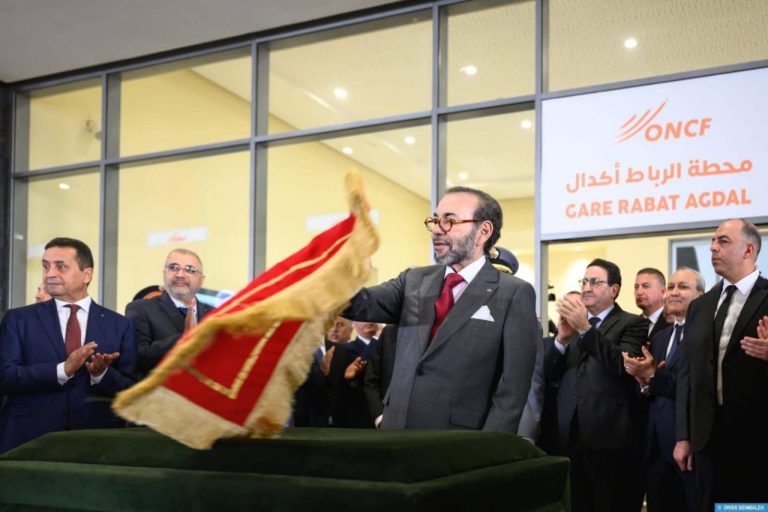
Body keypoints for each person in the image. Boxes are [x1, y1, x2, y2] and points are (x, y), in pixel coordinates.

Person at [342, 186, 538, 431]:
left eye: (449, 221)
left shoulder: (513, 293)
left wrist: (490, 445)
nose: (436, 229)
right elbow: (360, 304)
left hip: (459, 440)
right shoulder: (413, 280)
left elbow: (513, 388)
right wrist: (344, 271)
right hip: (396, 432)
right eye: (435, 220)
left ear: (483, 231)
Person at [0, 237, 136, 453]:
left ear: (87, 274)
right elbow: (5, 377)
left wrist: (101, 374)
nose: (50, 274)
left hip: (95, 443)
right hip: (27, 440)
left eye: (60, 266)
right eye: (46, 266)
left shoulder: (120, 325)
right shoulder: (18, 319)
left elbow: (130, 390)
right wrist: (62, 370)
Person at [674, 218, 768, 508]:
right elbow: (687, 374)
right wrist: (683, 436)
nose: (713, 247)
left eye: (723, 241)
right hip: (705, 440)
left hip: (756, 440)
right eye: (713, 241)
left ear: (748, 250)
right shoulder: (700, 306)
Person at [546, 258, 648, 512]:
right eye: (584, 281)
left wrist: (584, 328)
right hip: (570, 438)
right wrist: (561, 340)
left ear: (614, 289)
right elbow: (550, 374)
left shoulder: (632, 323)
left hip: (610, 439)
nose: (586, 288)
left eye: (595, 282)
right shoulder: (574, 326)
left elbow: (620, 366)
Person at [623, 267, 704, 512]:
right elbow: (654, 388)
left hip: (689, 444)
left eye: (683, 287)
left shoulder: (705, 335)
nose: (674, 292)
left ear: (701, 295)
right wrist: (644, 382)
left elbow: (694, 389)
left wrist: (653, 375)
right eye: (671, 287)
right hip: (655, 446)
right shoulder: (660, 337)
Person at [125, 249, 212, 379]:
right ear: (164, 273)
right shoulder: (141, 309)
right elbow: (137, 358)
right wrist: (184, 338)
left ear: (201, 279)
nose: (180, 274)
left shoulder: (214, 315)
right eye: (173, 268)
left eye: (189, 269)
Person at [292, 316, 352, 427]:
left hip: (337, 421)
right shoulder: (295, 350)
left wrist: (350, 378)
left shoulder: (341, 350)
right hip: (304, 420)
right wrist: (322, 373)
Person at [634, 267, 668, 339]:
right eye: (636, 287)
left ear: (663, 292)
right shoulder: (633, 324)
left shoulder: (672, 323)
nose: (639, 292)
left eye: (646, 286)